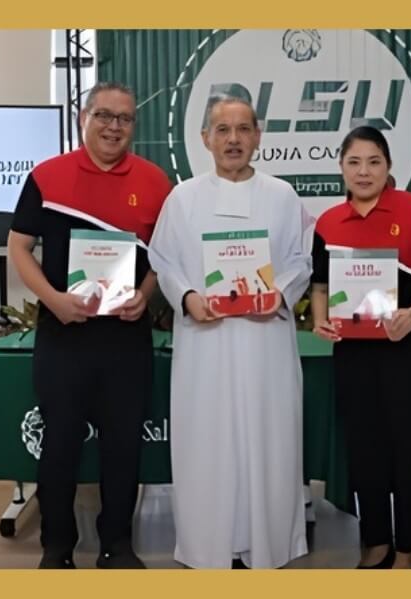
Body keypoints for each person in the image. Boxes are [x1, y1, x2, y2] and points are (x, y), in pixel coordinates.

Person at [7, 81, 172, 568]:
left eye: (124, 119)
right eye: (104, 115)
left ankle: (116, 544)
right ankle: (56, 545)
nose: (113, 126)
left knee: (123, 446)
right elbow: (18, 246)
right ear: (84, 118)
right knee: (58, 443)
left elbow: (163, 258)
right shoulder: (47, 176)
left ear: (133, 127)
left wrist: (143, 296)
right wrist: (54, 299)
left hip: (126, 338)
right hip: (64, 333)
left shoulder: (155, 181)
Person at [148, 97, 311, 569]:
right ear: (205, 139)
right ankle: (208, 545)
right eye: (222, 130)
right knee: (207, 441)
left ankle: (270, 543)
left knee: (269, 437)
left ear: (259, 136)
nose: (233, 139)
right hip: (206, 343)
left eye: (243, 129)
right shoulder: (183, 198)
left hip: (266, 344)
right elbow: (163, 261)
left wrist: (277, 294)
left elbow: (301, 260)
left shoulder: (282, 195)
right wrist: (188, 298)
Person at [310, 126, 411, 569]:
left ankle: (408, 546)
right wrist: (318, 318)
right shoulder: (329, 222)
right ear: (341, 168)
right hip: (353, 350)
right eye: (354, 162)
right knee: (364, 446)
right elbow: (320, 285)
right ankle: (375, 541)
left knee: (406, 446)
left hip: (406, 346)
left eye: (374, 162)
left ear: (389, 166)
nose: (364, 171)